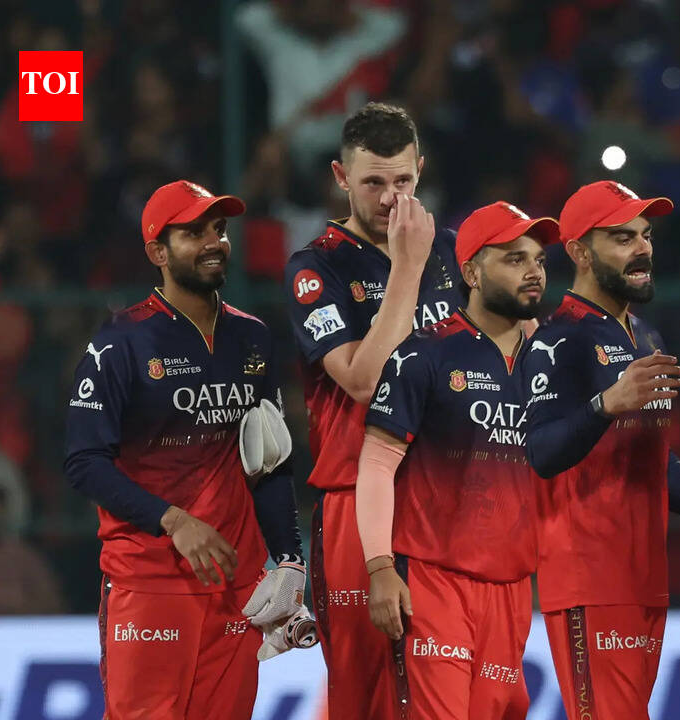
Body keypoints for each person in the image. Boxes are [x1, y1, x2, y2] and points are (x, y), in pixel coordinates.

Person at [523, 180, 680, 719]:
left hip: (644, 578)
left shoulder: (646, 336)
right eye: (622, 238)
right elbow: (540, 453)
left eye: (645, 235)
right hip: (589, 577)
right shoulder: (558, 339)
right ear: (579, 252)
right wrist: (605, 404)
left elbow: (653, 460)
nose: (642, 248)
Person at [65, 180, 306, 719]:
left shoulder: (252, 337)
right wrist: (172, 520)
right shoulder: (120, 342)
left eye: (218, 229)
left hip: (237, 589)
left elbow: (269, 460)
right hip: (149, 581)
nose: (214, 242)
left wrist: (289, 559)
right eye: (194, 233)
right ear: (158, 252)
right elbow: (84, 462)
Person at [283, 102, 464, 719]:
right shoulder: (316, 267)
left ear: (421, 169)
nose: (391, 198)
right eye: (373, 183)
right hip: (355, 499)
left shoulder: (456, 253)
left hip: (450, 499)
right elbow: (362, 380)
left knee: (452, 697)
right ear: (341, 177)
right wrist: (408, 268)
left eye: (403, 180)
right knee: (363, 700)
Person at [355, 200, 558, 719]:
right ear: (471, 273)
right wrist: (380, 567)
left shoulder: (552, 365)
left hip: (512, 590)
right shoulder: (423, 354)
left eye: (538, 259)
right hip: (433, 582)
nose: (533, 271)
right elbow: (377, 463)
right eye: (514, 258)